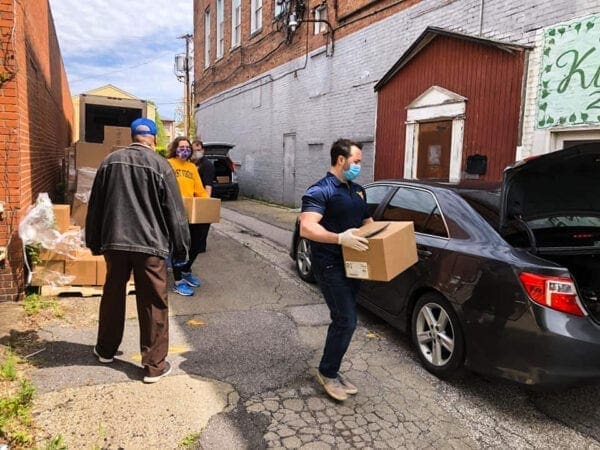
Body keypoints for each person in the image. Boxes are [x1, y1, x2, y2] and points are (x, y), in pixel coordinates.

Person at [86, 118, 190, 384]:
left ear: (132, 136)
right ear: (154, 139)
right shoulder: (160, 165)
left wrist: (94, 242)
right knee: (153, 301)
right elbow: (175, 213)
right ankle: (154, 365)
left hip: (115, 242)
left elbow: (95, 205)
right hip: (150, 245)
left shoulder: (110, 162)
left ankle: (105, 350)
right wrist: (181, 249)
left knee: (112, 294)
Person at [299, 138, 373, 401]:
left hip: (354, 264)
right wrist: (340, 238)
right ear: (340, 160)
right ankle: (328, 372)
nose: (359, 166)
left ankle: (333, 368)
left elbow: (367, 221)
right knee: (346, 320)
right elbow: (307, 227)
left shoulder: (357, 190)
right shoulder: (320, 190)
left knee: (344, 320)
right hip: (330, 264)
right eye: (356, 161)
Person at [167, 137, 210, 296]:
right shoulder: (168, 164)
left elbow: (199, 190)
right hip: (173, 210)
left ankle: (185, 271)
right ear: (175, 148)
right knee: (179, 246)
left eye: (187, 147)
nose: (184, 150)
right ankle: (178, 282)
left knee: (197, 243)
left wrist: (207, 205)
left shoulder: (192, 167)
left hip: (190, 210)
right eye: (181, 146)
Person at [192, 139, 215, 253]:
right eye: (194, 150)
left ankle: (199, 248)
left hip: (202, 200)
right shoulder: (192, 163)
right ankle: (196, 247)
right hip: (193, 199)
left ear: (203, 150)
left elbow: (208, 185)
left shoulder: (206, 165)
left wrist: (206, 203)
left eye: (198, 150)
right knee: (195, 227)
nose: (196, 152)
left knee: (202, 227)